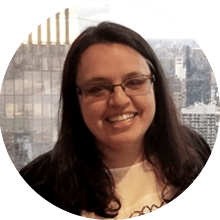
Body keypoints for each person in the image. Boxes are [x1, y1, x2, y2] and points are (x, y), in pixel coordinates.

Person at [19, 22, 211, 219]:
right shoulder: (37, 185)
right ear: (75, 99)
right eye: (98, 88)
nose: (119, 100)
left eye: (135, 82)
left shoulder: (194, 151)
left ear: (155, 85)